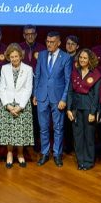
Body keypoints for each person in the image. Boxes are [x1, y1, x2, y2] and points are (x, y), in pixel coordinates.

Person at [34, 31, 72, 167]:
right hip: (42, 96)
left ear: (59, 43)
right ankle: (44, 153)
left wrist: (64, 99)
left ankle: (57, 154)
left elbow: (68, 81)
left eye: (52, 42)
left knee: (58, 127)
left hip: (58, 98)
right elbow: (37, 75)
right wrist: (35, 94)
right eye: (47, 42)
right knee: (43, 127)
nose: (49, 44)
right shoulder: (42, 55)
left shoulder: (66, 57)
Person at [0, 43, 34, 168]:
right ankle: (9, 153)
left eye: (16, 56)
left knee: (20, 132)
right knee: (9, 131)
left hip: (22, 104)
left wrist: (20, 106)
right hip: (7, 104)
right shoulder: (4, 68)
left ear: (21, 56)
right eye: (12, 56)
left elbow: (28, 89)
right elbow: (2, 88)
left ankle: (20, 154)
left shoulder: (28, 69)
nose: (14, 59)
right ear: (8, 57)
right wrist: (7, 105)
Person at [67, 48, 100, 170]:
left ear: (90, 59)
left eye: (85, 58)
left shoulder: (95, 74)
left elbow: (96, 95)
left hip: (88, 109)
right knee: (78, 136)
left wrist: (93, 112)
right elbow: (70, 92)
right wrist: (69, 109)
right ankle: (80, 161)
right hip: (76, 108)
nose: (82, 59)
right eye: (80, 57)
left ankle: (89, 161)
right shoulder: (75, 72)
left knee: (89, 136)